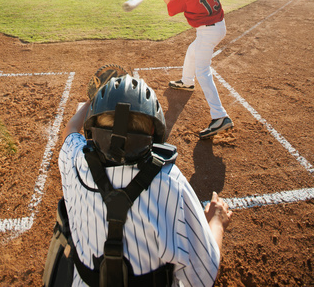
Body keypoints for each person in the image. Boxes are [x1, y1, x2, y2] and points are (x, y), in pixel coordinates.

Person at [46, 73, 232, 286]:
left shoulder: (75, 162)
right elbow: (203, 276)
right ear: (154, 130)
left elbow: (70, 129)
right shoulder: (171, 182)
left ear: (93, 125)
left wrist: (93, 99)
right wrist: (216, 221)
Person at [151, 0, 234, 139]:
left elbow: (172, 8)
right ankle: (187, 82)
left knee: (203, 71)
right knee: (192, 50)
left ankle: (220, 116)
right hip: (218, 25)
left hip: (208, 31)